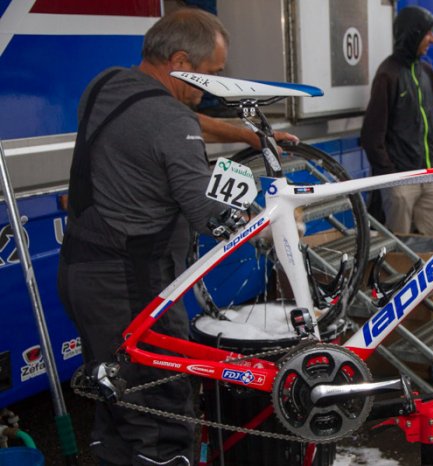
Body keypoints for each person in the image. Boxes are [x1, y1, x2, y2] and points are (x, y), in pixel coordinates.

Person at [57, 8, 293, 465]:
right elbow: (207, 214)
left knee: (121, 399)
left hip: (85, 271)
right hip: (132, 282)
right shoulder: (171, 121)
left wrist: (251, 136)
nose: (215, 85)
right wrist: (259, 216)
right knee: (161, 410)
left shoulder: (106, 84)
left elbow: (173, 117)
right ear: (181, 59)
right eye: (212, 74)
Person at [361, 5, 433, 238]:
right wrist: (392, 179)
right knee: (398, 249)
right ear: (413, 33)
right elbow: (371, 136)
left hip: (432, 177)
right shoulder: (387, 74)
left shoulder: (427, 72)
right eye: (428, 32)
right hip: (401, 181)